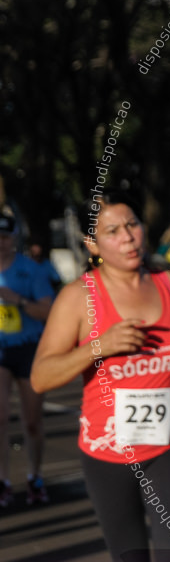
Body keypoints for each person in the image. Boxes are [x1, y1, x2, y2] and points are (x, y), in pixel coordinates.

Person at [30, 190, 170, 562]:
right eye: (113, 231)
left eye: (132, 225)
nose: (128, 237)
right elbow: (41, 378)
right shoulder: (79, 297)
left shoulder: (168, 283)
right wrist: (99, 345)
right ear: (93, 244)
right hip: (107, 451)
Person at [0, 214, 54, 507]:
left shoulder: (29, 270)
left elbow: (48, 312)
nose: (0, 243)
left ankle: (35, 476)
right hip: (0, 352)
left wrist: (17, 300)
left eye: (5, 237)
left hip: (30, 348)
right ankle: (3, 480)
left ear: (14, 239)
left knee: (32, 421)